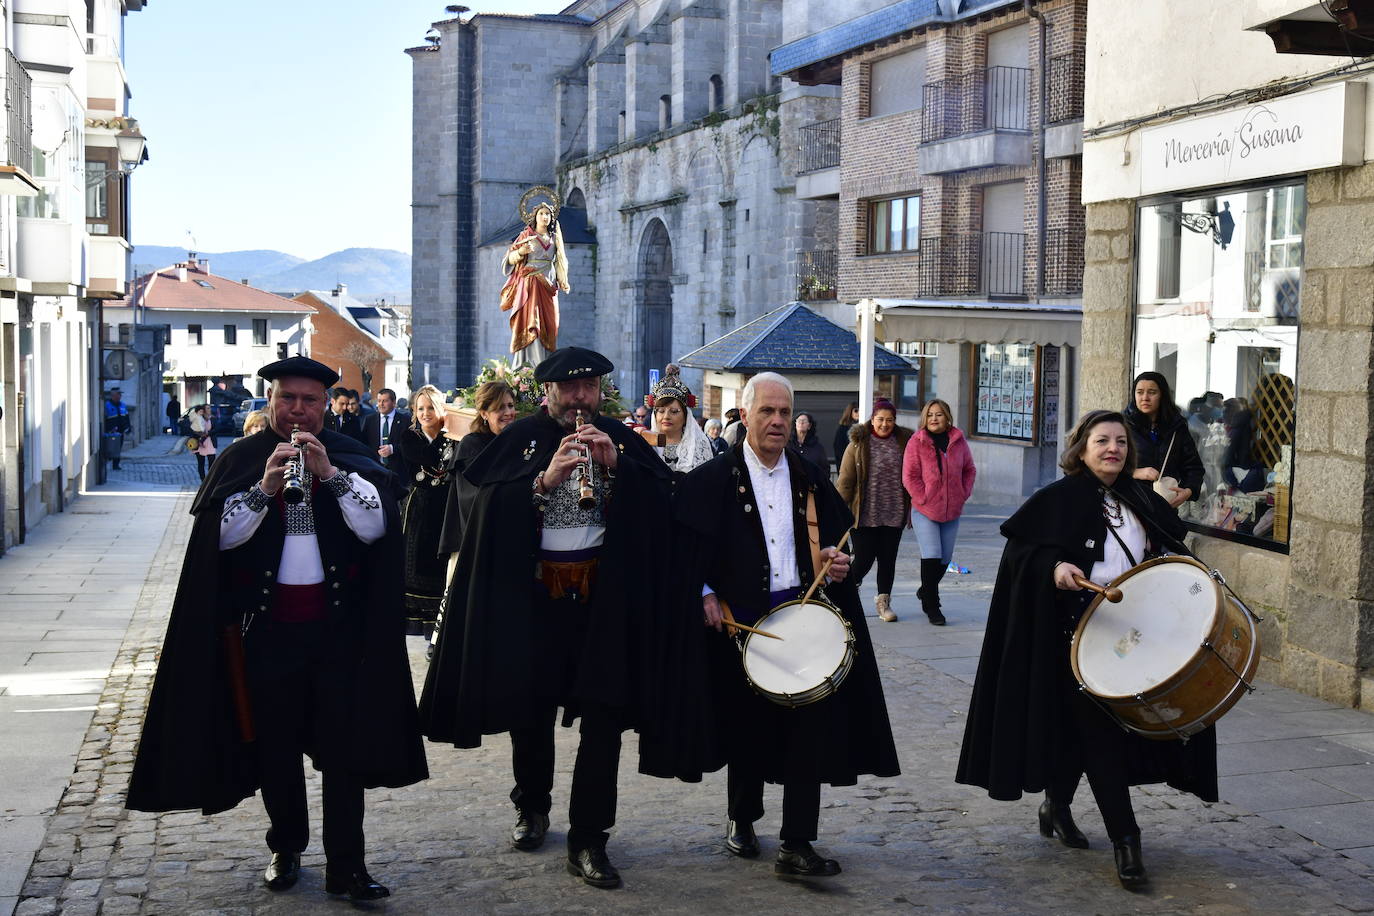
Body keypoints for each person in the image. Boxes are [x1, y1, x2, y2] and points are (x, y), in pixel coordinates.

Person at [126, 356, 428, 901]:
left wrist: (330, 478)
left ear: (325, 406)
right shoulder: (244, 459)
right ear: (270, 402)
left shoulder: (350, 461)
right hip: (266, 635)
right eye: (287, 399)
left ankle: (347, 866)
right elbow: (221, 539)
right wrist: (266, 489)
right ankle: (285, 847)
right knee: (276, 749)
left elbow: (375, 526)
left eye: (309, 401)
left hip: (338, 636)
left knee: (344, 754)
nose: (297, 410)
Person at [419, 347, 673, 890]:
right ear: (548, 392)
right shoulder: (519, 439)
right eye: (570, 388)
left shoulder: (620, 440)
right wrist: (541, 483)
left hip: (600, 605)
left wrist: (618, 470)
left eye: (590, 387)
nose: (581, 397)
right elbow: (484, 512)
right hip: (533, 601)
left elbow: (662, 508)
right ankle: (531, 807)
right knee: (528, 713)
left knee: (604, 720)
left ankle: (589, 837)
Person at [956, 409, 1217, 890]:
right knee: (1101, 735)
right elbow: (1024, 559)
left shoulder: (1139, 496)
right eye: (1102, 440)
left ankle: (1056, 805)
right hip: (1074, 640)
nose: (1113, 448)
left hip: (1134, 639)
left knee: (1085, 734)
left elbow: (1163, 550)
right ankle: (1126, 840)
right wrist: (1054, 568)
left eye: (1120, 441)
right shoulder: (1056, 499)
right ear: (1081, 448)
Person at [675, 372, 899, 877]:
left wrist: (838, 563)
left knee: (808, 731)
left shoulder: (809, 475)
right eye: (766, 412)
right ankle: (742, 818)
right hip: (742, 622)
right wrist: (705, 595)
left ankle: (797, 842)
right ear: (746, 414)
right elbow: (683, 552)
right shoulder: (713, 479)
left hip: (803, 618)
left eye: (783, 412)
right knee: (745, 726)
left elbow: (843, 541)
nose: (776, 422)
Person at [836, 399, 913, 623]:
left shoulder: (904, 441)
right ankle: (844, 593)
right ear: (872, 419)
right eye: (880, 419)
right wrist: (840, 512)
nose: (884, 424)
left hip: (894, 510)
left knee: (888, 560)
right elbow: (846, 480)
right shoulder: (859, 443)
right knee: (863, 559)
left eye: (889, 420)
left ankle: (884, 602)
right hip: (864, 512)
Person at [902, 399, 976, 625]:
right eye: (930, 414)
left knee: (945, 559)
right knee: (932, 554)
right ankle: (932, 606)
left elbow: (969, 469)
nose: (934, 418)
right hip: (925, 509)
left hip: (952, 509)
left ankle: (925, 589)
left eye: (939, 414)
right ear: (925, 418)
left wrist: (963, 493)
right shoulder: (917, 441)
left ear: (947, 417)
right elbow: (910, 475)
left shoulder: (958, 440)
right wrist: (922, 496)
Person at [392, 384, 454, 638]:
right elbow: (429, 459)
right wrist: (447, 433)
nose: (425, 413)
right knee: (419, 558)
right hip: (420, 504)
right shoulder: (410, 437)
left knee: (441, 558)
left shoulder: (453, 436)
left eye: (431, 408)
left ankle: (442, 624)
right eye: (420, 409)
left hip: (446, 503)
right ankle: (423, 623)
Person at [500, 197, 569, 369]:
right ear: (535, 216)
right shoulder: (526, 235)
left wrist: (563, 280)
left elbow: (560, 260)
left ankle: (547, 361)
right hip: (530, 285)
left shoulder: (554, 237)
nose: (544, 217)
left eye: (547, 214)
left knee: (549, 324)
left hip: (548, 286)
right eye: (541, 214)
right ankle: (530, 362)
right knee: (531, 322)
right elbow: (509, 258)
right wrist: (521, 252)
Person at [1125, 371, 1204, 511]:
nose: (1145, 398)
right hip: (1130, 504)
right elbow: (1103, 466)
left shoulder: (1176, 427)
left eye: (1152, 392)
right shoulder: (1122, 426)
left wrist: (1188, 491)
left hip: (1165, 506)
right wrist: (1136, 472)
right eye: (1140, 392)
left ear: (1162, 395)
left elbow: (1194, 467)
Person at [647, 372, 714, 476]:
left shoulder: (699, 446)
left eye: (674, 411)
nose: (666, 417)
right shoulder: (645, 444)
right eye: (661, 411)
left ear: (685, 416)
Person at [362, 388, 411, 488]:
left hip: (398, 471)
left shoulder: (405, 420)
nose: (381, 404)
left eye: (385, 401)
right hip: (375, 469)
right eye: (379, 401)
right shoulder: (369, 420)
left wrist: (393, 449)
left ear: (393, 402)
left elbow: (409, 445)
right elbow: (364, 443)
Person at [105, 389, 131, 470]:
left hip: (121, 431)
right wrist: (109, 429)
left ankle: (116, 465)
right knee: (109, 448)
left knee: (118, 448)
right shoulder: (107, 405)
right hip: (110, 431)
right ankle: (107, 462)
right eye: (118, 394)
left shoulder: (123, 405)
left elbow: (127, 417)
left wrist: (128, 427)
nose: (120, 396)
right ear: (113, 395)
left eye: (120, 394)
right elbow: (104, 418)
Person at [190, 404, 218, 481]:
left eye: (210, 408)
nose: (210, 410)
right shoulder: (198, 418)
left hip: (210, 443)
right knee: (201, 463)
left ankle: (209, 481)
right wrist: (199, 435)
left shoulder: (213, 418)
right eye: (208, 408)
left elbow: (216, 429)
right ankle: (203, 481)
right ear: (204, 410)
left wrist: (208, 434)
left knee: (212, 464)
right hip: (200, 443)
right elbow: (193, 429)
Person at [832, 402, 858, 473]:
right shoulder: (843, 429)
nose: (858, 413)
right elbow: (838, 449)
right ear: (850, 412)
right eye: (856, 410)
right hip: (847, 466)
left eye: (860, 410)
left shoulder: (865, 427)